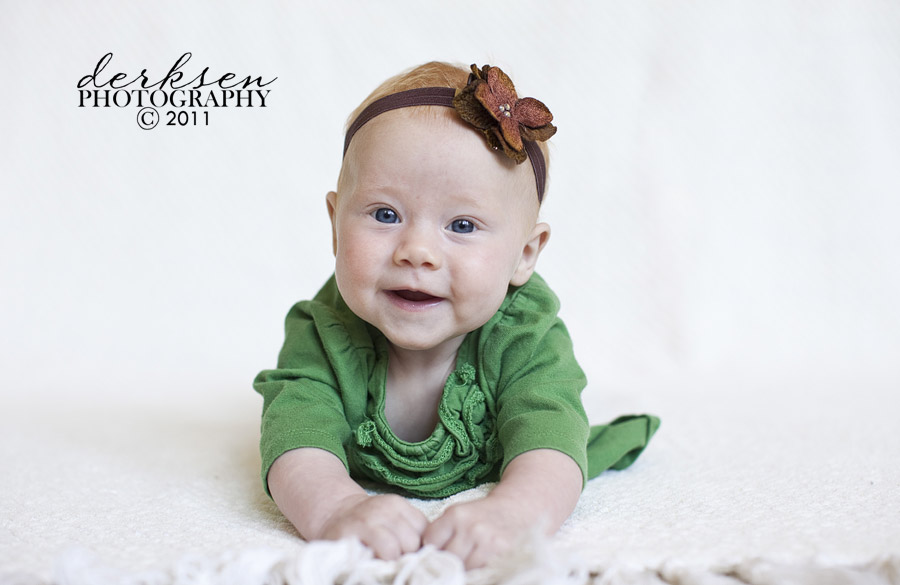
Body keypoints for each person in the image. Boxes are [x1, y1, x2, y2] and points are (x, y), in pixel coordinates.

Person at [253, 61, 659, 569]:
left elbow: (550, 438)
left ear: (524, 255)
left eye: (462, 225)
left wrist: (513, 513)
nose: (417, 251)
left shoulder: (525, 334)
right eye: (385, 214)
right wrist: (337, 507)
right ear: (335, 225)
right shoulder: (323, 331)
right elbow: (294, 436)